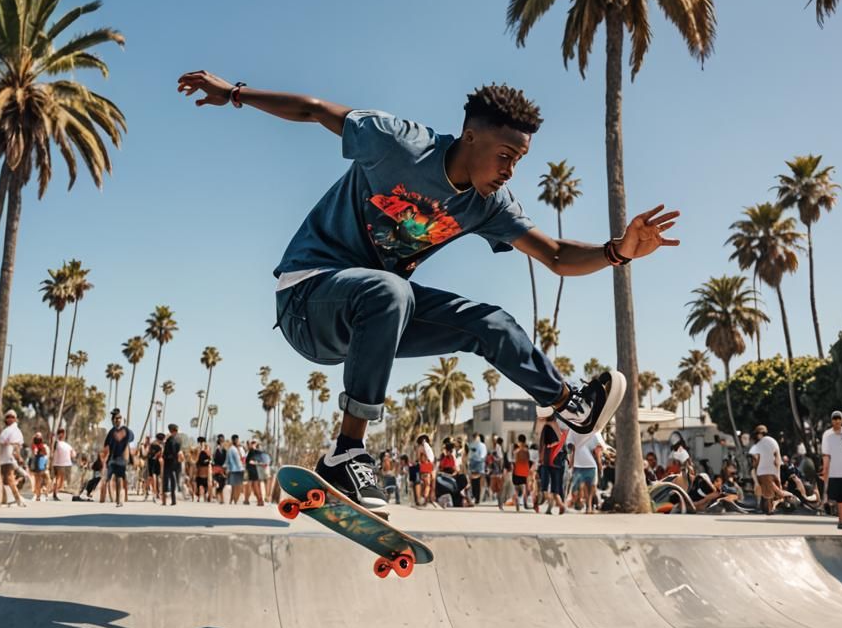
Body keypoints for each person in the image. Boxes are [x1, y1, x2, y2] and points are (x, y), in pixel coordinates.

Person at [177, 74, 677, 507]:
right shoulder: (398, 143)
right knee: (390, 291)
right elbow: (313, 110)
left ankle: (570, 403)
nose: (508, 172)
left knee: (490, 322)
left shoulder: (488, 205)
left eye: (519, 161)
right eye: (504, 157)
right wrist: (235, 93)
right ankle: (348, 452)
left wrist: (619, 251)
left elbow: (556, 255)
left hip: (373, 316)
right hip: (308, 300)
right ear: (469, 137)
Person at [535, 408, 568, 514]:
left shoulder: (546, 427)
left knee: (544, 488)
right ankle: (560, 506)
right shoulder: (556, 426)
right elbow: (561, 439)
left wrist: (548, 447)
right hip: (556, 461)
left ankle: (557, 506)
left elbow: (543, 445)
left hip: (547, 460)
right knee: (555, 489)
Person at [748, 424, 782, 515]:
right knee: (771, 489)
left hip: (764, 470)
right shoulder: (772, 441)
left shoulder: (762, 443)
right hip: (772, 469)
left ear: (760, 434)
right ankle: (769, 507)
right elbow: (777, 457)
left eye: (757, 434)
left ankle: (767, 507)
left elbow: (757, 459)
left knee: (764, 488)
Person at [569, 429, 605, 514]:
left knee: (585, 486)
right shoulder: (595, 432)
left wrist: (572, 461)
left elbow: (573, 448)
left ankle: (587, 506)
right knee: (591, 486)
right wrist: (600, 464)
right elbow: (598, 450)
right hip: (591, 464)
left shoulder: (574, 430)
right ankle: (588, 506)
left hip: (579, 463)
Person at [101, 409, 132, 506]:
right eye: (115, 418)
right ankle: (112, 498)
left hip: (120, 458)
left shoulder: (124, 430)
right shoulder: (112, 432)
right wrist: (104, 459)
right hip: (112, 458)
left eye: (118, 418)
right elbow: (106, 447)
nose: (117, 420)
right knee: (109, 479)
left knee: (118, 478)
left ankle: (118, 500)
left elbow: (129, 441)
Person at [0, 410, 26, 507]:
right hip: (1, 458)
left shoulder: (15, 431)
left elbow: (17, 445)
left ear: (15, 419)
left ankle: (18, 499)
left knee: (10, 479)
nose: (10, 419)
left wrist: (18, 457)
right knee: (1, 480)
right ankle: (3, 499)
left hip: (9, 459)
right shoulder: (6, 430)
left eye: (12, 417)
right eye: (8, 417)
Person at [48, 428, 73, 501]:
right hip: (57, 464)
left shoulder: (64, 444)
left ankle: (54, 493)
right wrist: (52, 439)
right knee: (58, 479)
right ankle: (54, 493)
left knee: (59, 480)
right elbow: (52, 449)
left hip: (61, 464)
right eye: (63, 433)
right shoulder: (56, 442)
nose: (64, 435)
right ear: (61, 434)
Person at [162, 424, 183, 506]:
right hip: (177, 463)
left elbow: (166, 452)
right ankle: (173, 499)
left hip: (169, 462)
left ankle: (164, 500)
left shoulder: (170, 440)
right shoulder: (179, 439)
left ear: (171, 430)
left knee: (166, 481)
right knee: (174, 481)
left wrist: (165, 457)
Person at [509, 435, 531, 511]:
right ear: (525, 441)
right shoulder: (527, 451)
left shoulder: (516, 451)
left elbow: (514, 461)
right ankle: (525, 503)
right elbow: (528, 460)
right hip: (525, 471)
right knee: (525, 488)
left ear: (518, 442)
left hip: (517, 471)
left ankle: (517, 502)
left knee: (516, 488)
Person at [487, 435, 507, 509]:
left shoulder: (495, 449)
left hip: (494, 471)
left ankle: (499, 503)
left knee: (498, 488)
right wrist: (501, 469)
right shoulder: (498, 448)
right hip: (497, 471)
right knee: (500, 488)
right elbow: (500, 459)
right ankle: (500, 504)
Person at [466, 433, 486, 504]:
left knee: (478, 482)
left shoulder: (481, 445)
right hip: (475, 465)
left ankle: (477, 498)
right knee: (474, 483)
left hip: (478, 465)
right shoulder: (472, 445)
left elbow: (482, 456)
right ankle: (475, 497)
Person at [225, 434, 245, 503]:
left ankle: (236, 500)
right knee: (233, 486)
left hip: (241, 469)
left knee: (239, 485)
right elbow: (228, 460)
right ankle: (231, 500)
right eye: (235, 440)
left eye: (237, 439)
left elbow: (244, 458)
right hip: (233, 470)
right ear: (233, 440)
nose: (237, 441)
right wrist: (227, 469)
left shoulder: (241, 449)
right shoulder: (231, 449)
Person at [194, 436, 213, 502]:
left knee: (206, 483)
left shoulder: (207, 448)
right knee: (200, 483)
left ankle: (207, 497)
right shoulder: (199, 449)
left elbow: (210, 458)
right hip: (201, 468)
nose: (201, 443)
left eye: (201, 442)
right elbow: (196, 459)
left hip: (205, 468)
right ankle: (199, 497)